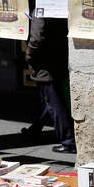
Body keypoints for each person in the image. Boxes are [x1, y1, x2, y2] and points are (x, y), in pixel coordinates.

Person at [24, 13, 77, 154]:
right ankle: (34, 131)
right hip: (59, 58)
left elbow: (36, 37)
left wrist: (29, 54)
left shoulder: (42, 8)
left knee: (53, 102)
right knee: (49, 100)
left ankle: (68, 141)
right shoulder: (58, 6)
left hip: (45, 62)